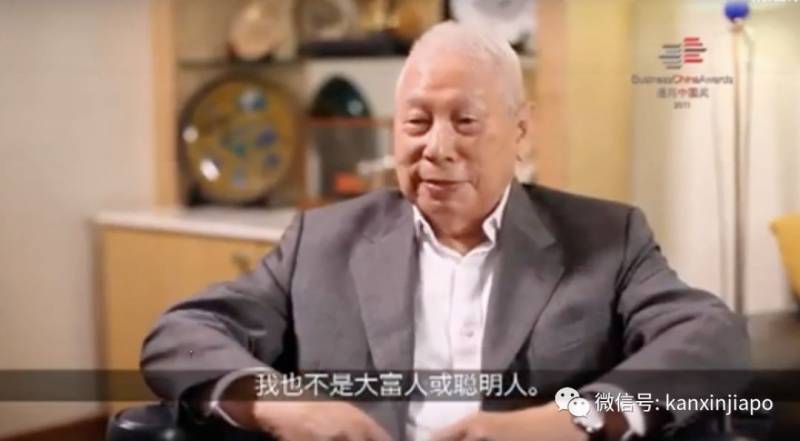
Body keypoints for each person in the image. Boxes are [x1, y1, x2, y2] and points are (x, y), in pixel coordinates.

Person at [140, 21, 750, 441]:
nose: (436, 148)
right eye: (416, 122)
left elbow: (712, 338)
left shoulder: (606, 238)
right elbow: (182, 336)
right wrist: (281, 405)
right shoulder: (321, 242)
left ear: (520, 131)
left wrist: (574, 417)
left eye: (465, 121)